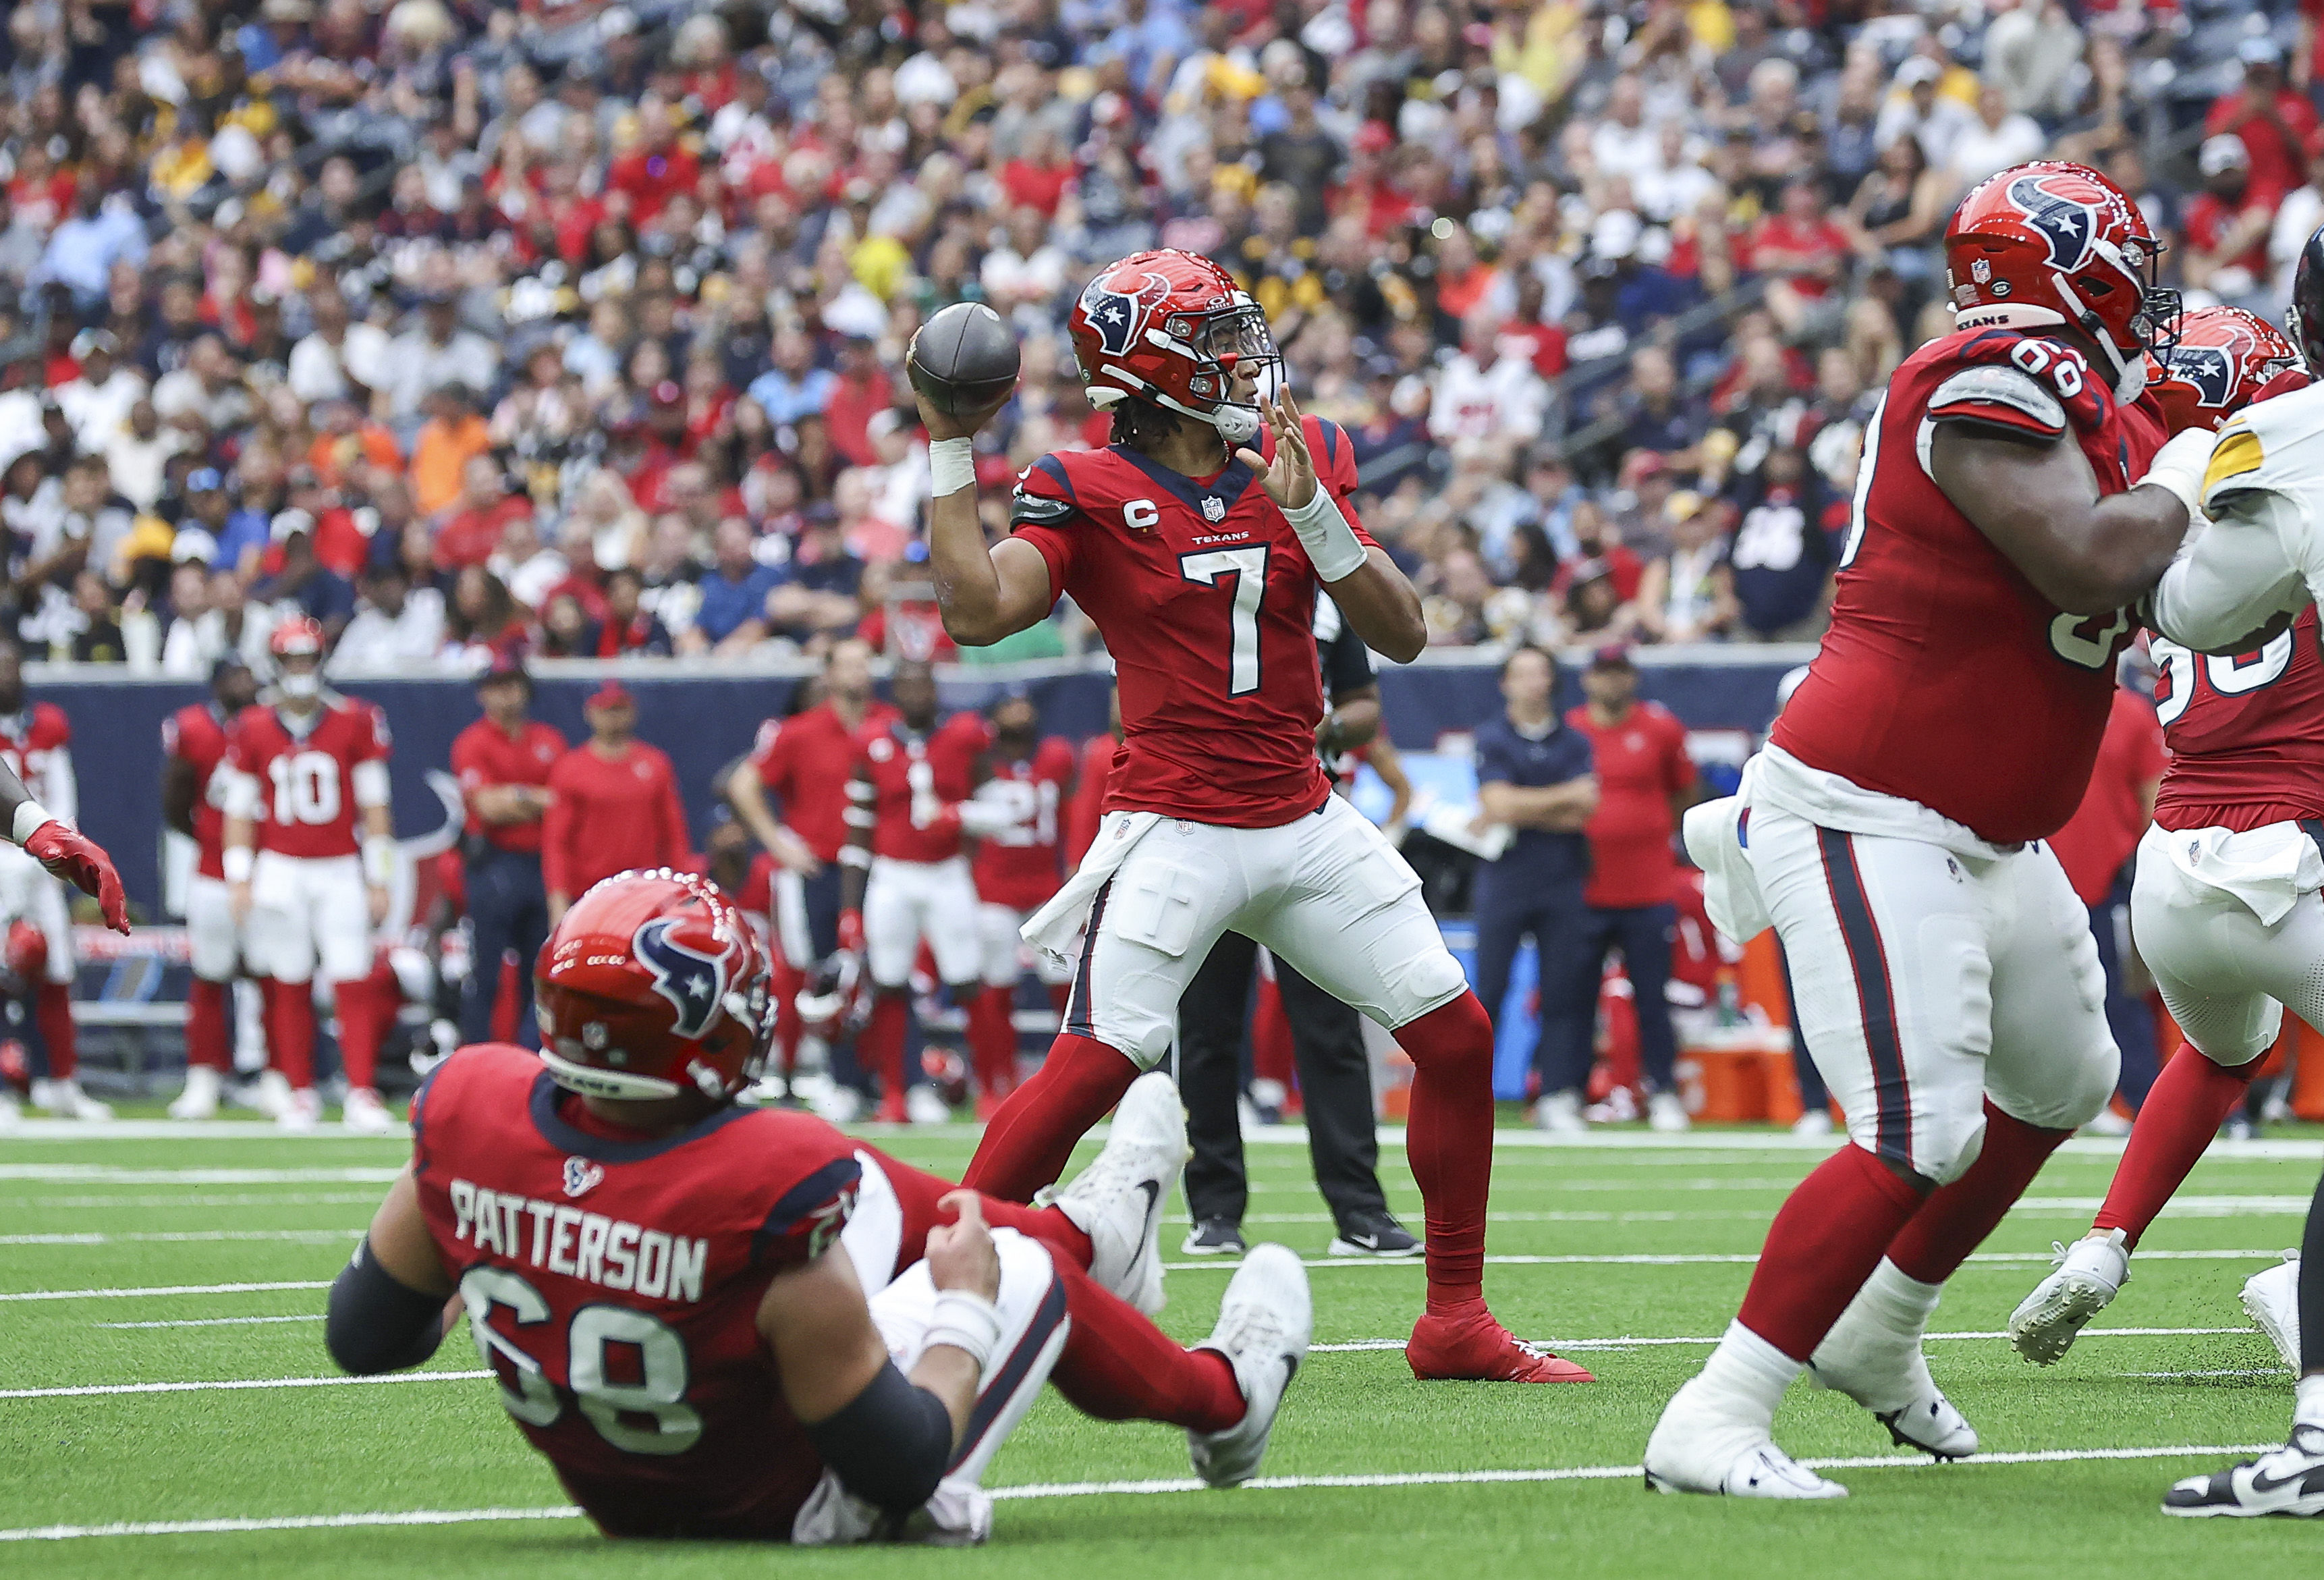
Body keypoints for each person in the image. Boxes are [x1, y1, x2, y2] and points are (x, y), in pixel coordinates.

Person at [924, 249, 1578, 1382]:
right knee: (1090, 1068)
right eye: (1214, 339)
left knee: (1453, 1037)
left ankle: (1452, 1320)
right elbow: (978, 612)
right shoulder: (1081, 486)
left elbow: (1404, 630)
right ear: (1150, 371)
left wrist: (1314, 513)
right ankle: (926, 1286)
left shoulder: (1300, 452)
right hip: (1175, 823)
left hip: (1300, 811)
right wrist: (943, 439)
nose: (1242, 357)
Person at [1648, 161, 2190, 1498]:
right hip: (1866, 806)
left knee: (2065, 1079)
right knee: (1917, 1125)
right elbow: (2093, 563)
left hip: (1986, 833)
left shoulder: (2096, 413)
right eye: (2129, 262)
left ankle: (1877, 1330)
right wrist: (2210, 464)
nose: (2152, 291)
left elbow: (2155, 587)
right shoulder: (1989, 375)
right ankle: (1716, 1414)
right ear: (2065, 267)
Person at [323, 870, 1312, 1543]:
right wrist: (967, 1305)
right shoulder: (764, 1175)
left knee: (869, 1186)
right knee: (1016, 1272)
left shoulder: (468, 1113)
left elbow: (364, 1335)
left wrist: (503, 1242)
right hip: (788, 1498)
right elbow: (901, 1462)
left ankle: (1088, 1233)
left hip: (625, 1485)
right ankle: (1223, 1402)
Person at [2012, 237, 2324, 1512]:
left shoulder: (2202, 480)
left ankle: (2104, 1238)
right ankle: (2307, 1357)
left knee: (2215, 1050)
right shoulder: (2279, 466)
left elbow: (2178, 612)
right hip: (2284, 850)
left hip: (2174, 866)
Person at [1178, 593, 1421, 1258]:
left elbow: (1363, 703)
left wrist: (1321, 727)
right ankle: (1214, 1208)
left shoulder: (1323, 595)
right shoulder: (1187, 569)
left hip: (1310, 827)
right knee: (1206, 1028)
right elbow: (1125, 711)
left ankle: (1360, 1210)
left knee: (1332, 1024)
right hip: (1208, 821)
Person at [221, 618, 399, 1133]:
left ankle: (360, 1091)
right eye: (291, 660)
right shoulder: (253, 726)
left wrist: (380, 875)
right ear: (275, 666)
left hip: (340, 865)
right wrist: (239, 875)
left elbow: (375, 806)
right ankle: (301, 1091)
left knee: (352, 977)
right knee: (289, 980)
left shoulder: (355, 719)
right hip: (279, 866)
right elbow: (239, 808)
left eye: (307, 658)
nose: (301, 669)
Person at [726, 639, 898, 1102]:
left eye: (865, 662)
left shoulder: (890, 725)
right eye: (849, 663)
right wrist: (779, 843)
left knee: (884, 969)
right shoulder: (801, 731)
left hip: (879, 865)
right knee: (824, 971)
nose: (859, 672)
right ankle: (839, 1079)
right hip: (821, 865)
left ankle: (886, 1078)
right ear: (829, 672)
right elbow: (743, 783)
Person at [840, 659, 992, 1124]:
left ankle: (991, 1085)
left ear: (935, 687)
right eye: (906, 685)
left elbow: (993, 807)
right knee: (888, 982)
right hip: (892, 873)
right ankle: (894, 1093)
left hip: (946, 871)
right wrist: (851, 906)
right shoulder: (873, 742)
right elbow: (858, 828)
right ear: (895, 692)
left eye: (923, 683)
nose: (917, 693)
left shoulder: (965, 737)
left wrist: (965, 837)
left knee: (968, 978)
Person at [1557, 646, 1702, 1133]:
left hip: (1648, 887)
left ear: (1633, 677)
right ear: (1587, 678)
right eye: (1603, 672)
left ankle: (1663, 1091)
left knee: (1652, 999)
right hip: (1584, 887)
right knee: (1574, 997)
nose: (1611, 682)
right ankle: (1568, 1093)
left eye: (1619, 672)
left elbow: (1685, 792)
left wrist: (1648, 831)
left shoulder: (1661, 728)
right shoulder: (1570, 728)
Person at [1470, 645, 1599, 1135]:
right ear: (1505, 682)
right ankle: (1472, 1093)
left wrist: (1520, 805)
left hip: (1563, 875)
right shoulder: (1492, 737)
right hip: (1506, 876)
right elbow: (1498, 802)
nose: (1531, 683)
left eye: (1539, 673)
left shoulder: (1574, 740)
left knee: (1565, 989)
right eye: (1521, 673)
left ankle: (1558, 1092)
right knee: (1490, 990)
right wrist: (1556, 800)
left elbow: (1584, 807)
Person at [0, 642, 123, 1119]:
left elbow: (63, 794)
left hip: (39, 858)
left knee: (56, 972)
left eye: (10, 664)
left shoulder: (47, 723)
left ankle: (64, 1080)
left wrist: (66, 851)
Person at [2039, 668, 2167, 1122]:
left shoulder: (2131, 713)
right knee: (2035, 995)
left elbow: (2154, 793)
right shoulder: (2032, 701)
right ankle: (2050, 1102)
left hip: (2109, 876)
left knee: (2121, 994)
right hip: (2036, 872)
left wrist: (2144, 865)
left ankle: (2142, 1102)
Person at [964, 689, 1077, 1116]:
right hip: (993, 888)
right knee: (996, 983)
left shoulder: (1057, 757)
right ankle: (998, 1079)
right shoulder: (978, 761)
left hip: (1047, 886)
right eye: (1009, 707)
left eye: (1025, 704)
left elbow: (1072, 813)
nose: (1020, 711)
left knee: (1064, 981)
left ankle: (1072, 1075)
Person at [160, 656, 261, 1118]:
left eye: (248, 674)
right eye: (235, 676)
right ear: (217, 685)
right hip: (213, 868)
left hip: (268, 866)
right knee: (209, 973)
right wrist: (209, 836)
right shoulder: (195, 728)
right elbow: (176, 802)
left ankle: (270, 1073)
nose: (245, 682)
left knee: (274, 974)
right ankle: (205, 1073)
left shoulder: (270, 726)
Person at [449, 659, 565, 1049]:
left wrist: (516, 795)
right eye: (497, 686)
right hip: (494, 861)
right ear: (483, 694)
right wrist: (534, 797)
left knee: (539, 968)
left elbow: (563, 802)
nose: (506, 695)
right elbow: (487, 806)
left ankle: (532, 1058)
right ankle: (475, 1055)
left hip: (540, 863)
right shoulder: (473, 741)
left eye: (512, 685)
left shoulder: (548, 740)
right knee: (487, 971)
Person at [541, 682, 689, 923]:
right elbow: (557, 842)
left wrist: (680, 890)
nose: (614, 718)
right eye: (607, 710)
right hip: (590, 895)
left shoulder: (655, 764)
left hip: (645, 894)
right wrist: (557, 902)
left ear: (633, 711)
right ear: (590, 713)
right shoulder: (570, 769)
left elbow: (674, 835)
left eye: (620, 709)